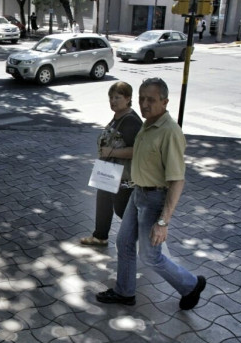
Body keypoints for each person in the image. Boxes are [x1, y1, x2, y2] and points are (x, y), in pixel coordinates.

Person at [96, 77, 206, 310]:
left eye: (152, 100)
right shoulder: (147, 124)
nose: (145, 104)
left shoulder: (169, 132)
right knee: (124, 242)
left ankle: (191, 285)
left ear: (165, 102)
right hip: (138, 194)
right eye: (142, 99)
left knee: (150, 256)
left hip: (155, 199)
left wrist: (163, 221)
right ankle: (125, 292)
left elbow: (177, 180)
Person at [81, 82, 143, 247]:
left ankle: (150, 236)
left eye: (117, 97)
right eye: (111, 97)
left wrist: (111, 152)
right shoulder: (119, 116)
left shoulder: (130, 121)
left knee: (122, 209)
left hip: (122, 174)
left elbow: (138, 150)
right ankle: (100, 236)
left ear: (128, 98)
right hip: (109, 170)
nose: (113, 101)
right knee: (103, 203)